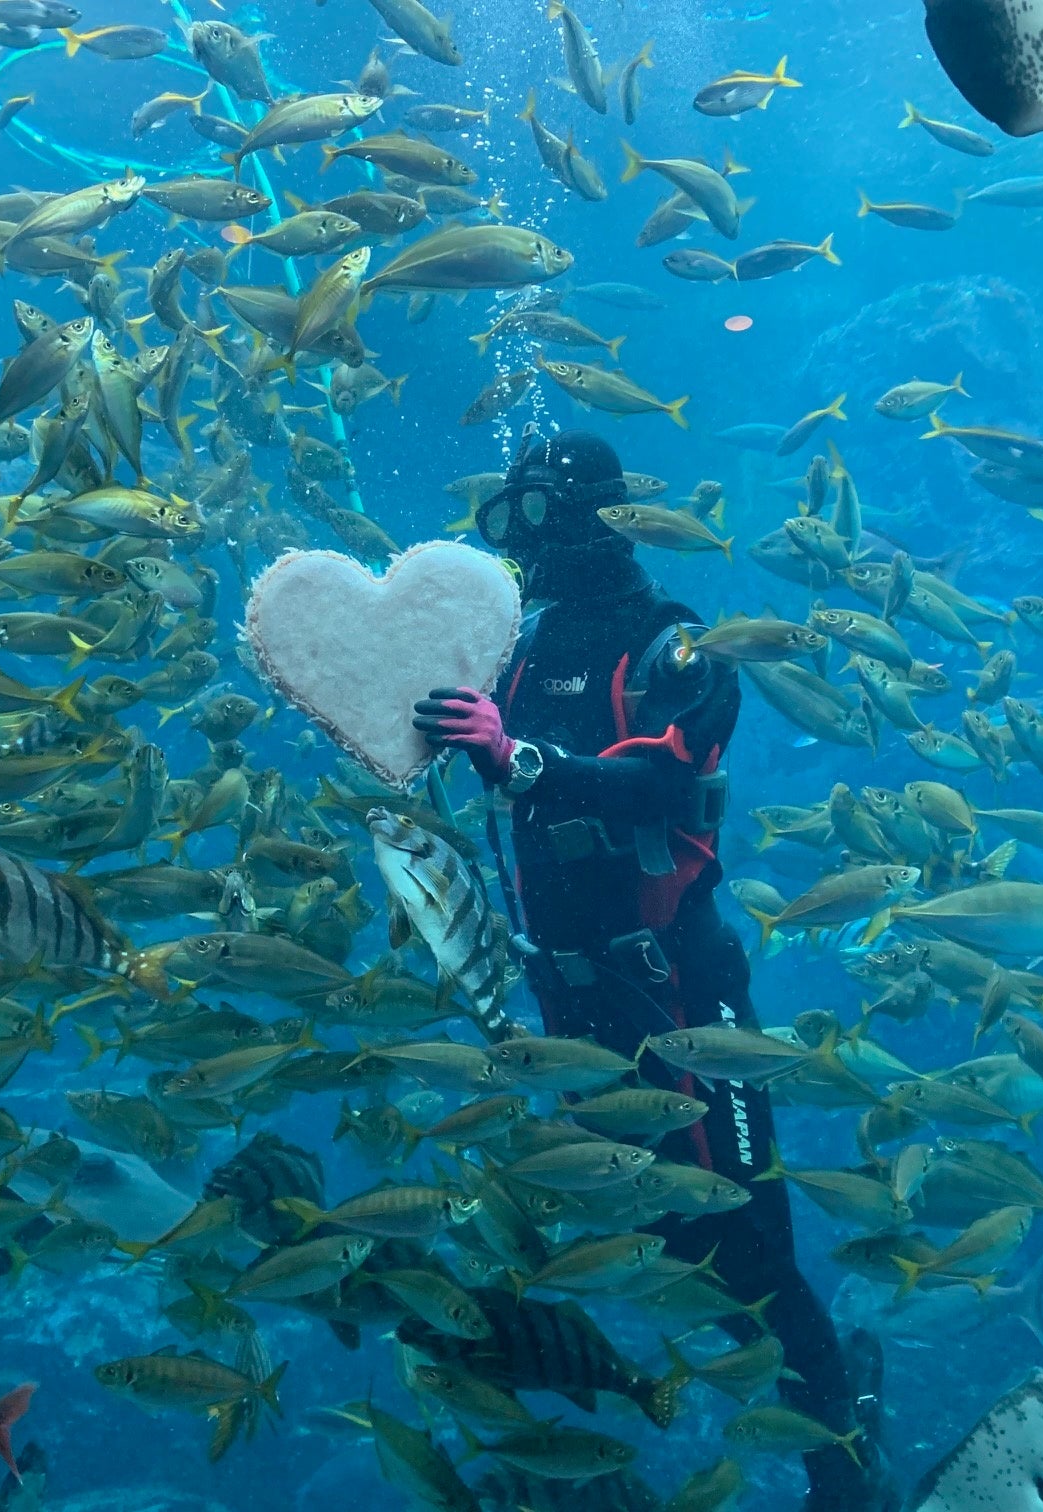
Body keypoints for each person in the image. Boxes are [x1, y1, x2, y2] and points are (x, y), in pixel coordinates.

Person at [415, 429, 898, 1512]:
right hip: (569, 990)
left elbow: (672, 778)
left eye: (537, 519)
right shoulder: (524, 652)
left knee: (745, 1234)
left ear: (597, 518)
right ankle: (836, 1394)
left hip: (677, 982)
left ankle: (847, 1470)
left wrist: (524, 758)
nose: (524, 547)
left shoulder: (674, 640)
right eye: (509, 522)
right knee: (661, 1226)